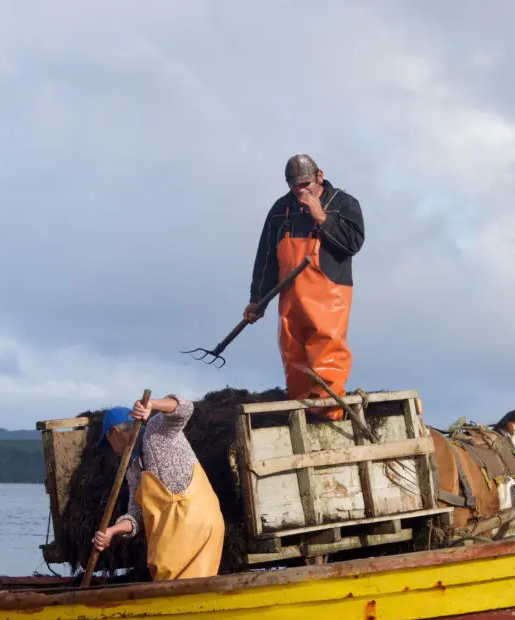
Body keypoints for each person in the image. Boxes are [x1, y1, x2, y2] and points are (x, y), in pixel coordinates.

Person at [245, 154, 366, 420]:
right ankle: (303, 417)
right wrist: (258, 299)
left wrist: (321, 216)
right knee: (293, 355)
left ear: (319, 176)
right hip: (290, 298)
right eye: (294, 185)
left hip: (329, 296)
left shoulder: (344, 204)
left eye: (306, 184)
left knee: (327, 352)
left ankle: (330, 417)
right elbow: (266, 257)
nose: (301, 190)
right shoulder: (279, 210)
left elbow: (354, 244)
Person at [91, 393, 225, 581]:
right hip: (173, 534)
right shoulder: (134, 469)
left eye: (108, 443)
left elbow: (185, 408)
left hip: (197, 523)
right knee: (168, 580)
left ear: (114, 432)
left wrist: (152, 404)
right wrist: (111, 532)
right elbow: (136, 515)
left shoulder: (156, 429)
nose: (111, 449)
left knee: (187, 586)